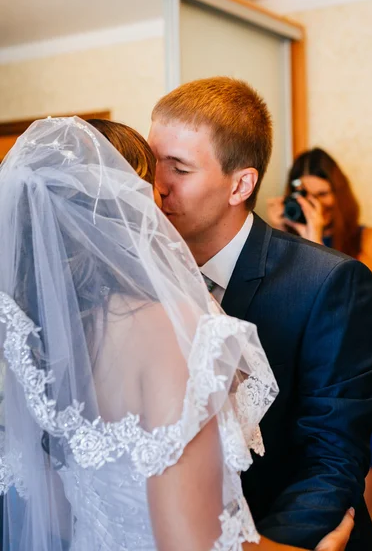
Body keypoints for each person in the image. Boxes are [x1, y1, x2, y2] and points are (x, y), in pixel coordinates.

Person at [0, 116, 352, 551]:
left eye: (179, 170)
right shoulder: (172, 328)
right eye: (151, 181)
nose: (163, 193)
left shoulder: (38, 339)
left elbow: (54, 514)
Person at [148, 77, 372, 551]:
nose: (157, 186)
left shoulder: (328, 282)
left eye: (178, 168)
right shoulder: (139, 280)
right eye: (152, 164)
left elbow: (330, 460)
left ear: (241, 184)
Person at [266, 147, 372, 520]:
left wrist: (316, 236)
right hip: (304, 375)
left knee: (364, 476)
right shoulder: (283, 243)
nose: (314, 203)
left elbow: (350, 303)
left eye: (323, 194)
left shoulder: (367, 237)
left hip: (355, 373)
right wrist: (277, 232)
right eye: (306, 195)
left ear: (340, 194)